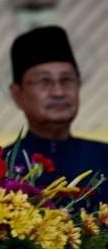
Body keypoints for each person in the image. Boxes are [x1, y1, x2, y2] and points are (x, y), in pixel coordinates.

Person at [6, 25, 108, 202]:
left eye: (67, 80)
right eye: (44, 81)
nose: (58, 92)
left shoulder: (104, 157)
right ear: (17, 94)